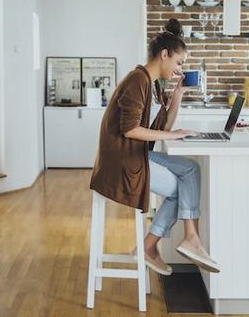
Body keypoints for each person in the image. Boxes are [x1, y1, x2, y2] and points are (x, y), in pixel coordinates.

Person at [90, 18, 220, 275]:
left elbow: (165, 129)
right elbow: (130, 130)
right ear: (164, 55)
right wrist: (174, 136)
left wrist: (178, 93)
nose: (180, 69)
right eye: (179, 62)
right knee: (183, 188)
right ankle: (157, 245)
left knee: (191, 170)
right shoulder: (137, 80)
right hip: (123, 163)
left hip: (136, 156)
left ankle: (188, 239)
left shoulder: (154, 85)